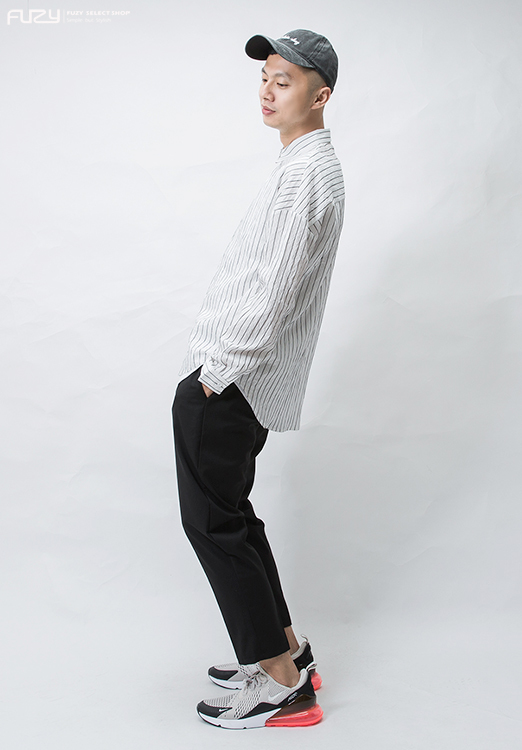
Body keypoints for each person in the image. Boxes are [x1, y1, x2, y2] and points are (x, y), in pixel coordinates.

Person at [171, 28, 345, 729]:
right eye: (265, 78)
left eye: (285, 80)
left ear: (320, 95)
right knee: (233, 518)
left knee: (214, 524)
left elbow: (273, 292)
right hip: (243, 376)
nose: (269, 91)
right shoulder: (305, 163)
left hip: (234, 378)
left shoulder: (308, 174)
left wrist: (215, 374)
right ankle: (287, 650)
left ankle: (277, 681)